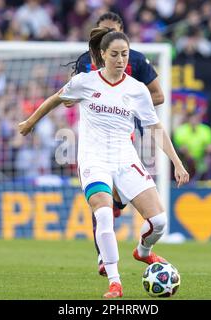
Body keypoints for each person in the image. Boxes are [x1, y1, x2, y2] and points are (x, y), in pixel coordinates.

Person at [19, 28, 189, 298]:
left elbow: (156, 127)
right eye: (115, 55)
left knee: (158, 222)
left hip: (125, 158)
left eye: (124, 54)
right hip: (93, 159)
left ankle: (142, 252)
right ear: (102, 55)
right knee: (104, 214)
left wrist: (177, 163)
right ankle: (115, 282)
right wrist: (30, 123)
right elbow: (55, 99)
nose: (121, 60)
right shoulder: (85, 82)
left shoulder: (137, 90)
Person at [65, 12, 165, 277]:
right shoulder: (86, 62)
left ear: (122, 31)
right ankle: (105, 259)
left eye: (113, 29)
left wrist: (124, 104)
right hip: (93, 136)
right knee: (102, 204)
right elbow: (69, 96)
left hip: (125, 135)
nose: (109, 35)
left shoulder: (137, 61)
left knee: (119, 201)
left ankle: (121, 211)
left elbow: (158, 95)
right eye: (103, 31)